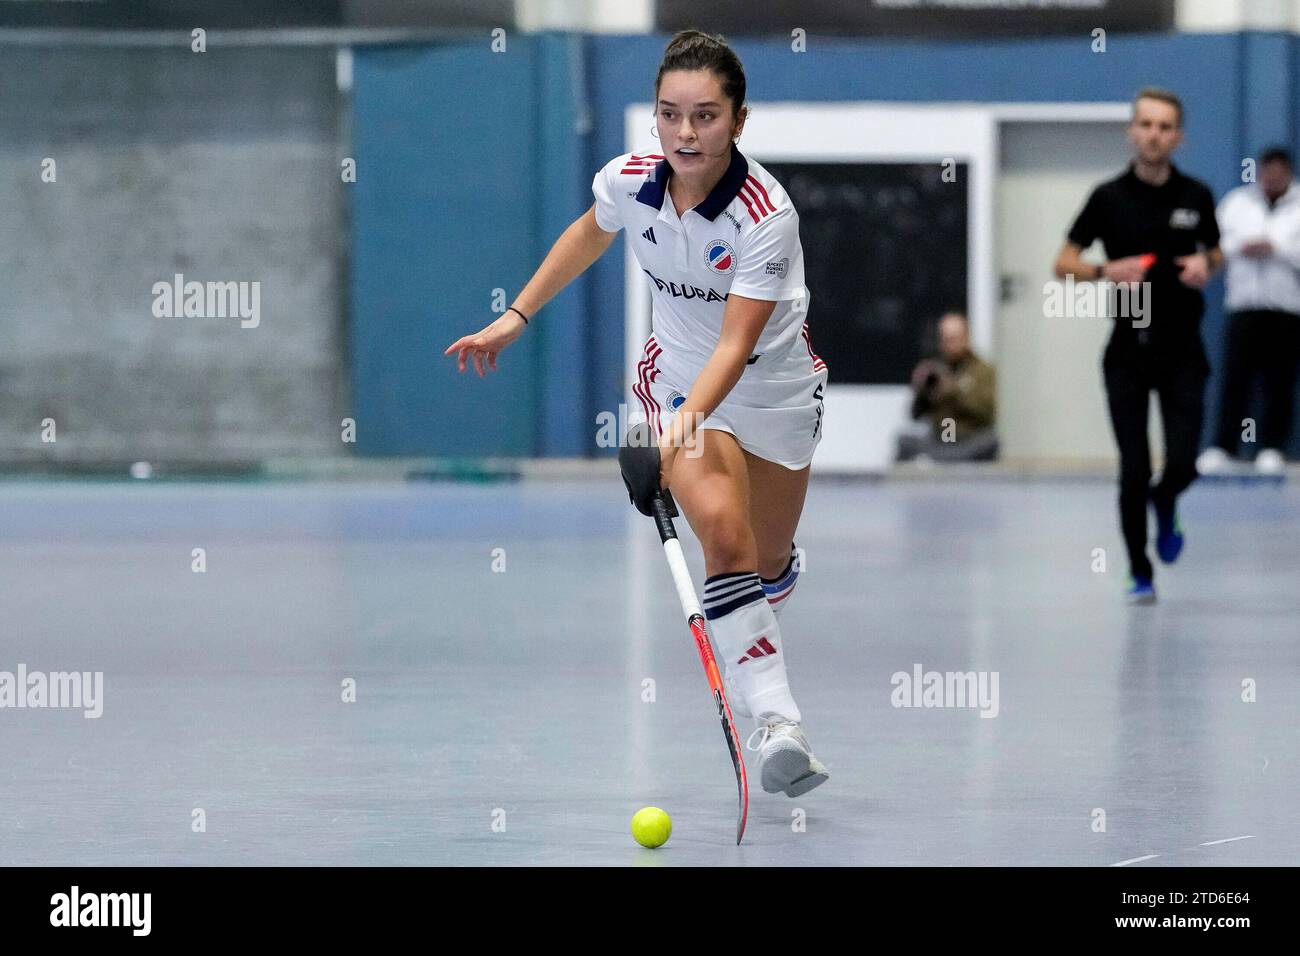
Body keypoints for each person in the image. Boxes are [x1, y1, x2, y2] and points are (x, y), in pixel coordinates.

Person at [444, 31, 829, 797]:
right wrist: (517, 316)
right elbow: (589, 234)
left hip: (774, 391)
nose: (686, 133)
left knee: (766, 562)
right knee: (723, 533)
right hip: (680, 382)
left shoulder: (765, 215)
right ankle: (779, 726)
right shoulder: (628, 180)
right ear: (654, 118)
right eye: (670, 114)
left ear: (738, 122)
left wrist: (691, 418)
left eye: (706, 116)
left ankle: (768, 582)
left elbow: (737, 343)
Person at [1054, 87, 1223, 604]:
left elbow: (1215, 253)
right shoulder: (1108, 197)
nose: (1154, 135)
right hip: (1128, 348)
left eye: (1165, 127)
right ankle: (1138, 568)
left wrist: (1206, 267)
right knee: (1133, 466)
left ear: (1179, 136)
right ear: (1133, 131)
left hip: (1183, 348)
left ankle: (1166, 499)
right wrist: (1106, 269)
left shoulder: (1196, 195)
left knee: (1183, 461)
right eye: (1146, 125)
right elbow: (1062, 263)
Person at [1198, 146, 1300, 475]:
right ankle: (1224, 446)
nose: (1271, 178)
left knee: (1278, 382)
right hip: (1243, 307)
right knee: (1236, 380)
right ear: (1258, 172)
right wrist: (1241, 247)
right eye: (1266, 172)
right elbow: (1213, 245)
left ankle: (1271, 447)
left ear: (1287, 173)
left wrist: (1277, 248)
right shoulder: (1237, 203)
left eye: (1278, 173)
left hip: (1285, 308)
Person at [898, 311, 998, 462]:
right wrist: (921, 389)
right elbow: (915, 415)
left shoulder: (982, 371)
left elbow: (987, 413)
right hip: (940, 439)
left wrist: (954, 392)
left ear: (966, 338)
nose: (948, 345)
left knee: (992, 441)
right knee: (904, 441)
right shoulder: (935, 368)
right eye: (945, 339)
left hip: (969, 440)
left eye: (953, 339)